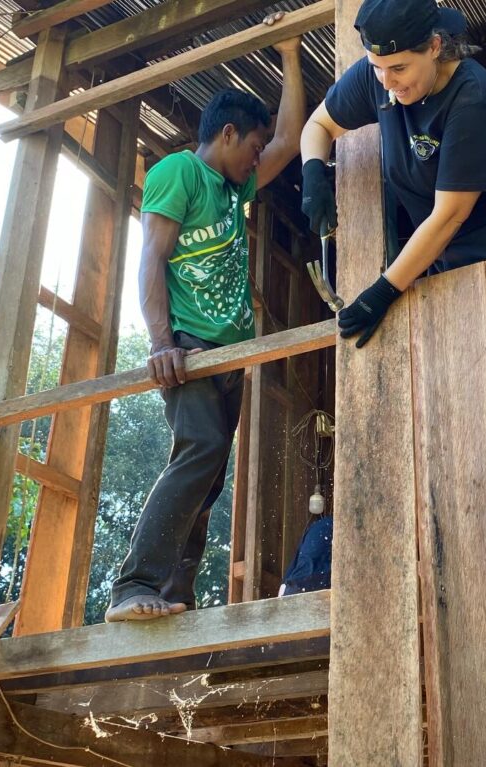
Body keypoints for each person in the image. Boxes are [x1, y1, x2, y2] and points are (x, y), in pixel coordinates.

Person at [104, 17, 305, 623]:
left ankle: (175, 592)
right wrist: (160, 343)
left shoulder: (234, 190)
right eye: (252, 146)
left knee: (210, 471)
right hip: (188, 348)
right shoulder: (180, 173)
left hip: (229, 355)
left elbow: (290, 139)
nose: (258, 157)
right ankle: (134, 584)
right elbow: (152, 257)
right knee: (202, 448)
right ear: (227, 133)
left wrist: (290, 53)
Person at [300, 0, 486, 348]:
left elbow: (449, 215)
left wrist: (383, 290)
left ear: (434, 47)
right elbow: (318, 125)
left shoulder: (471, 95)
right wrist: (313, 174)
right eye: (376, 67)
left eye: (399, 68)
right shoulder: (378, 77)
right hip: (446, 248)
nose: (387, 82)